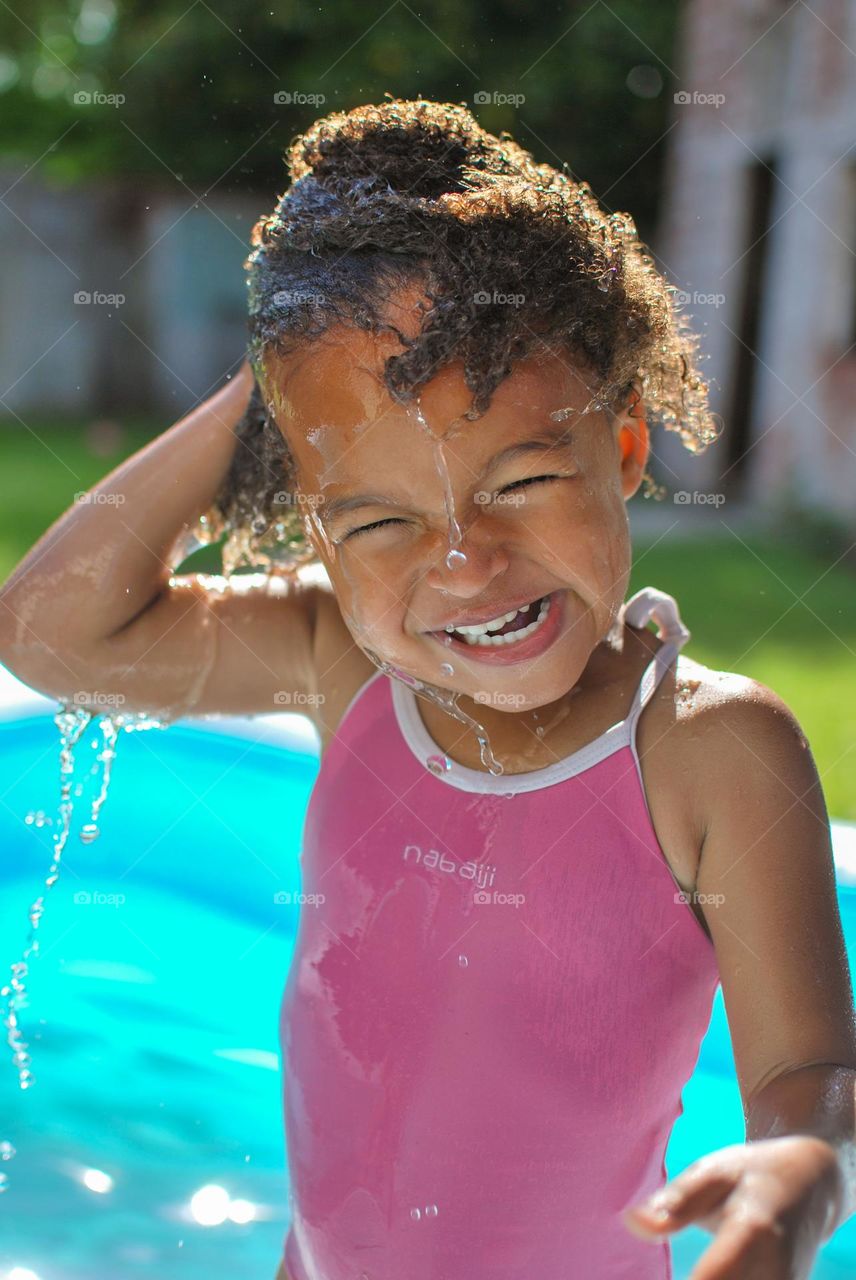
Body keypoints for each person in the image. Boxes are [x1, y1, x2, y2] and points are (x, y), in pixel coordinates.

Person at [2, 99, 855, 1280]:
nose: (463, 562)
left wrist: (798, 1173)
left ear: (620, 448)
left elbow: (807, 1067)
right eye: (381, 518)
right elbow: (51, 633)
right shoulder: (344, 659)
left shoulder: (704, 749)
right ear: (317, 529)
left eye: (523, 478)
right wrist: (279, 387)